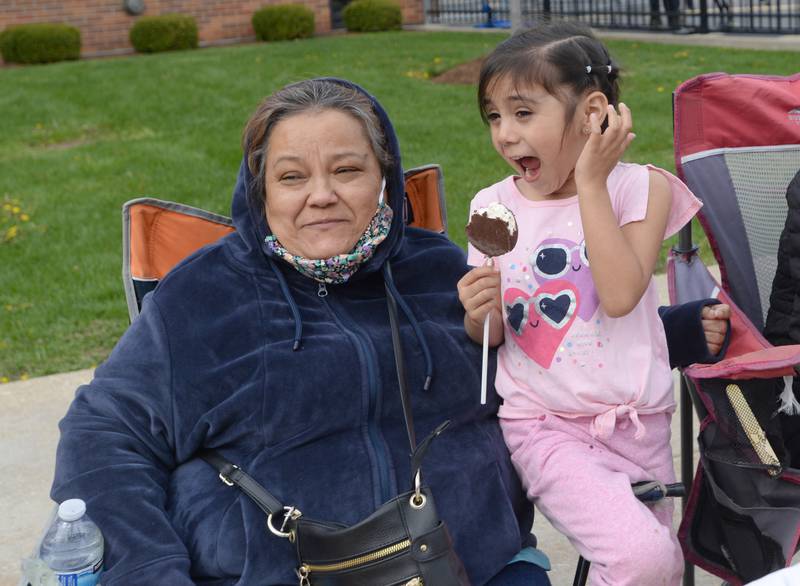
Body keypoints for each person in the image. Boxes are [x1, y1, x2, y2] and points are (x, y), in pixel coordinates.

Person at [51, 77, 728, 585]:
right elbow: (104, 435)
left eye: (347, 170)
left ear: (384, 179)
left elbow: (549, 340)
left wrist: (678, 332)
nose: (321, 194)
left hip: (472, 565)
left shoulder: (440, 269)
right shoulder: (203, 297)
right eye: (291, 177)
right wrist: (150, 570)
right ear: (261, 190)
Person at [458, 23, 706, 585]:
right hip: (545, 427)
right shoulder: (493, 206)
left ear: (594, 112)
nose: (504, 134)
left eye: (523, 113)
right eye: (494, 117)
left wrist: (592, 184)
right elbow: (492, 337)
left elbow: (620, 295)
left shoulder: (639, 189)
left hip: (638, 425)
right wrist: (480, 314)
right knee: (645, 561)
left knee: (649, 570)